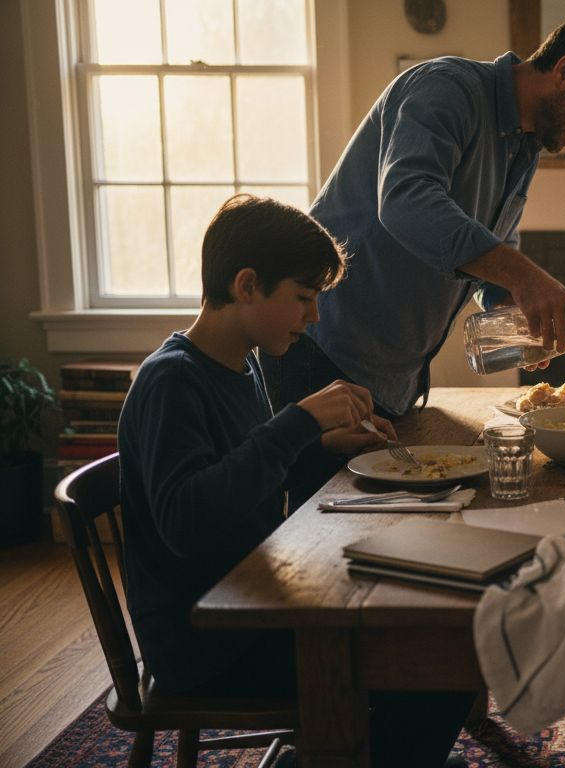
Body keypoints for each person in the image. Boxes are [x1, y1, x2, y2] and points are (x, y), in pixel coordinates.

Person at [118, 195, 475, 767]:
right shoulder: (172, 381)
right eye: (303, 298)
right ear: (247, 285)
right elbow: (186, 521)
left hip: (255, 600)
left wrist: (320, 442)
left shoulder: (243, 363)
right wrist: (298, 422)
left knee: (438, 628)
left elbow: (241, 467)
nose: (313, 317)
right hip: (207, 641)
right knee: (442, 658)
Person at [261, 13, 565, 502]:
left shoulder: (525, 145)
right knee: (318, 527)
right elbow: (406, 199)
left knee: (382, 522)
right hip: (323, 351)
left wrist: (513, 309)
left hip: (393, 380)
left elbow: (495, 249)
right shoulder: (446, 88)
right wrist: (527, 278)